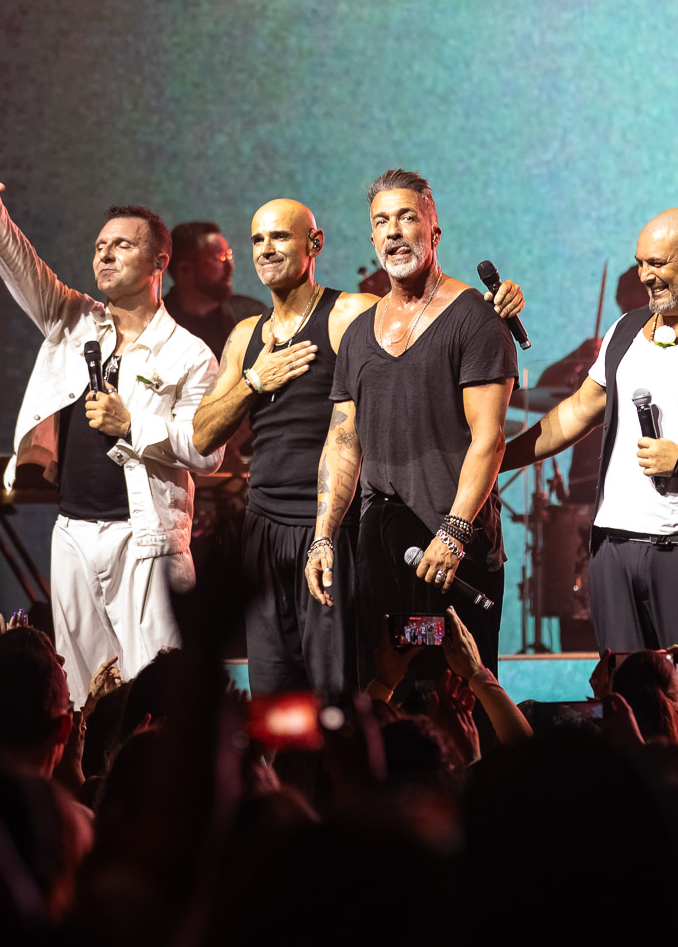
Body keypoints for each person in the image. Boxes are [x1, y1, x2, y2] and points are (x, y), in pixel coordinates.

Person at [191, 198, 522, 699]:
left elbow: (424, 309)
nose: (267, 249)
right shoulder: (246, 336)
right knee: (278, 688)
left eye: (280, 236)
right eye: (258, 239)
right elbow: (201, 438)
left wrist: (497, 303)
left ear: (315, 243)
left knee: (380, 683)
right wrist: (254, 381)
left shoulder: (351, 313)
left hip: (348, 526)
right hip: (271, 529)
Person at [0, 139, 221, 702]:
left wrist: (132, 425)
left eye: (122, 245)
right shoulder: (75, 319)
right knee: (81, 689)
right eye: (100, 246)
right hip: (73, 532)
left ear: (159, 262)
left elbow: (207, 452)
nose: (105, 255)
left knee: (154, 691)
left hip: (146, 540)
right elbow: (25, 270)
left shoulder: (189, 354)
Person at [499, 209, 678, 689]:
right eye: (641, 263)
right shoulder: (626, 330)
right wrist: (495, 461)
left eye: (658, 263)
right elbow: (575, 412)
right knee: (626, 700)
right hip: (615, 550)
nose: (646, 275)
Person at [308, 169, 518, 685]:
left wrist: (454, 532)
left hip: (451, 545)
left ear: (434, 231)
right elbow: (342, 442)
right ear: (372, 238)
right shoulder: (359, 334)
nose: (394, 231)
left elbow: (489, 440)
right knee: (387, 689)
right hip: (382, 545)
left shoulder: (475, 319)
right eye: (382, 221)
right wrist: (322, 538)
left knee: (456, 691)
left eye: (406, 217)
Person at [162, 221, 264, 359]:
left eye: (229, 255)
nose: (230, 267)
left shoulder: (252, 316)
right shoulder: (159, 326)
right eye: (219, 257)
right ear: (184, 270)